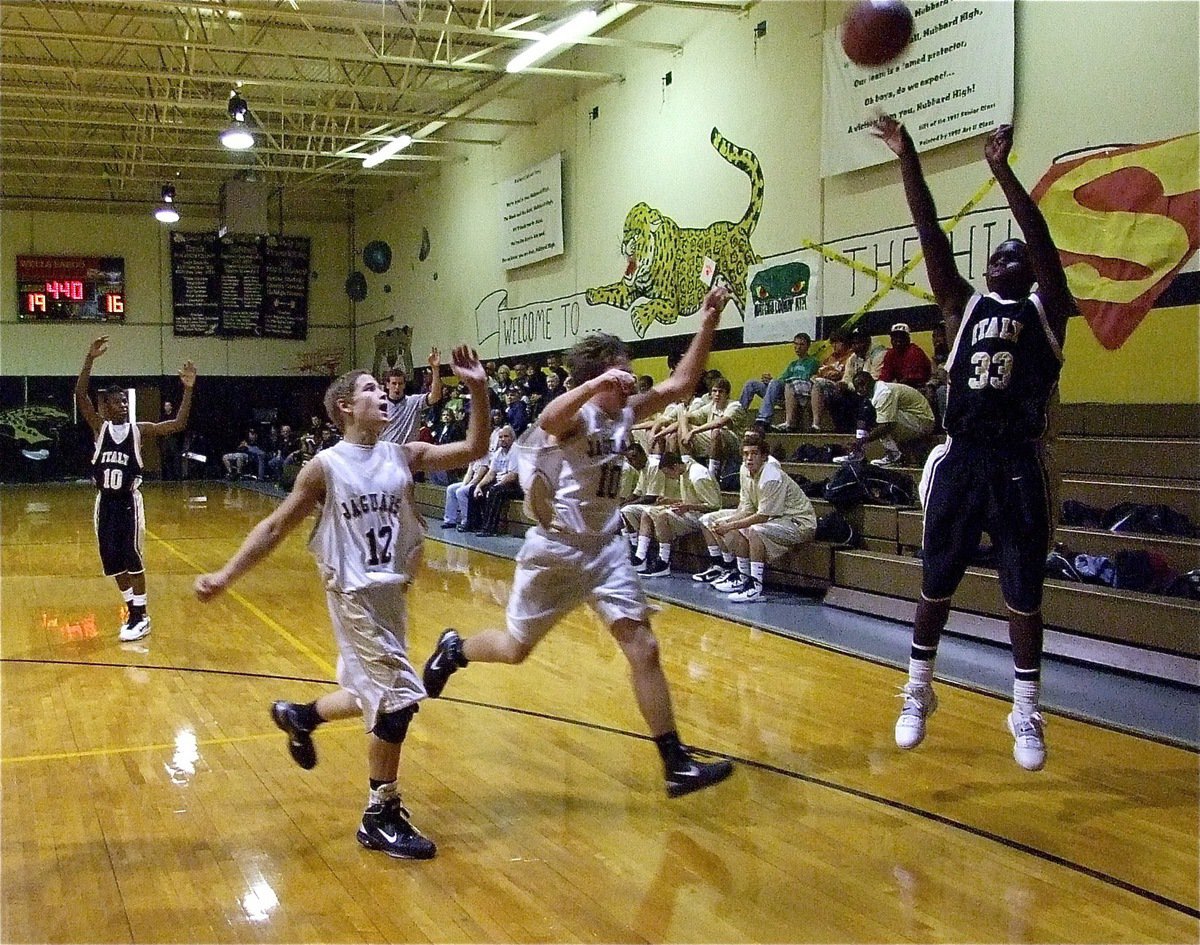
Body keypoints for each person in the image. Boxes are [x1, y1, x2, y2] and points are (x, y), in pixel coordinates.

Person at [421, 285, 735, 799]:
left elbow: (680, 385)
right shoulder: (578, 414)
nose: (630, 376)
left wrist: (708, 320)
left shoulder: (626, 411)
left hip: (606, 549)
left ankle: (674, 762)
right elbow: (548, 420)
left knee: (644, 647)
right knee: (515, 648)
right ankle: (455, 650)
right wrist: (595, 386)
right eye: (621, 368)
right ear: (599, 375)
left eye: (628, 368)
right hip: (556, 549)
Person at [194, 347, 492, 860]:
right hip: (353, 595)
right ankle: (380, 813)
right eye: (371, 389)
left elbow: (475, 447)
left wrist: (479, 390)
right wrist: (226, 575)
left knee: (365, 691)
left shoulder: (401, 455)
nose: (383, 395)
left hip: (391, 595)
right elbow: (274, 527)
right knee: (397, 700)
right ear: (345, 409)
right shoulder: (325, 467)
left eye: (383, 388)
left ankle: (302, 716)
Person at [873, 115, 1073, 771]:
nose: (1009, 255)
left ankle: (1025, 707)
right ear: (987, 270)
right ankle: (919, 689)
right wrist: (909, 156)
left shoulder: (1046, 310)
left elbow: (1039, 237)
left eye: (1015, 255)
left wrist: (1001, 171)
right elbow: (930, 232)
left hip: (1018, 462)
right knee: (937, 580)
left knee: (1023, 589)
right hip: (962, 458)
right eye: (999, 254)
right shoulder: (963, 309)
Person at [76, 336, 197, 641]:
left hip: (129, 503)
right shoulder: (100, 428)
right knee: (113, 563)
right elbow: (80, 394)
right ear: (106, 405)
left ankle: (142, 616)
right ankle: (133, 610)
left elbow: (178, 424)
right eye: (118, 402)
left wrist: (188, 388)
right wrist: (89, 359)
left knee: (132, 559)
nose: (123, 405)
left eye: (125, 402)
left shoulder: (138, 430)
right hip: (104, 503)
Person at [691, 433, 815, 603]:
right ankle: (740, 576)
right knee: (722, 523)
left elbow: (763, 516)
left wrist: (730, 525)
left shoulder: (771, 475)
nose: (749, 458)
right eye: (746, 453)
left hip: (798, 523)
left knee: (753, 530)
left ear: (764, 457)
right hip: (776, 519)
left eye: (754, 453)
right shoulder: (744, 470)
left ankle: (756, 587)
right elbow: (748, 508)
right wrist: (727, 523)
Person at [635, 451, 723, 578]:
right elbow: (691, 499)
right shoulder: (683, 472)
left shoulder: (698, 475)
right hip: (692, 512)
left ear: (675, 466)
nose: (669, 477)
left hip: (703, 516)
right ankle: (640, 557)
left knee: (662, 517)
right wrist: (671, 501)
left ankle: (664, 562)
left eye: (668, 473)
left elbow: (714, 506)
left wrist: (687, 507)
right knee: (648, 512)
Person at [837, 371, 936, 467]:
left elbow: (886, 426)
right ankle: (858, 453)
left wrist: (861, 441)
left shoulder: (884, 392)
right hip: (911, 419)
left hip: (924, 422)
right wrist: (859, 440)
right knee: (867, 410)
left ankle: (894, 454)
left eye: (862, 384)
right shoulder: (875, 392)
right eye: (857, 387)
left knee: (882, 419)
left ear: (871, 381)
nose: (860, 389)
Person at [738, 332, 819, 432]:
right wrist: (769, 381)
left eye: (801, 345)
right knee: (751, 384)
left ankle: (763, 419)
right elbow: (782, 379)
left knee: (775, 383)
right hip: (783, 393)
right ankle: (737, 417)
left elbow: (803, 379)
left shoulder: (812, 361)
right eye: (796, 344)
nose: (798, 347)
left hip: (796, 395)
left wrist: (775, 382)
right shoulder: (793, 364)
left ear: (808, 346)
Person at [679, 376, 748, 478]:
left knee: (716, 431)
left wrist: (693, 432)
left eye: (721, 391)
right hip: (714, 440)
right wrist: (685, 433)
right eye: (714, 391)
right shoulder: (711, 406)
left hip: (735, 445)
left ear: (727, 394)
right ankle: (687, 466)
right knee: (681, 428)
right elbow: (685, 417)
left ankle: (713, 473)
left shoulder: (735, 406)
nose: (717, 394)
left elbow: (719, 423)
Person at [381, 348, 444, 445]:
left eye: (400, 383)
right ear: (387, 385)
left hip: (409, 453)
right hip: (387, 454)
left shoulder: (413, 401)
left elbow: (435, 396)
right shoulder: (380, 405)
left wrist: (435, 369)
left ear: (404, 385)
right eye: (394, 383)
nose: (397, 387)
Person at [879, 322, 933, 389]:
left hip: (920, 387)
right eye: (895, 337)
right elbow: (885, 376)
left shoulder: (914, 352)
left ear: (908, 339)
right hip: (903, 387)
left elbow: (911, 380)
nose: (898, 341)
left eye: (901, 337)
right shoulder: (890, 354)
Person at [158, 400, 182, 480]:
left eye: (168, 406)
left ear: (171, 407)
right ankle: (168, 477)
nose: (166, 407)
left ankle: (177, 477)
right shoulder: (162, 417)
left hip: (173, 439)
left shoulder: (174, 417)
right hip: (165, 440)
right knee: (166, 459)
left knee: (175, 458)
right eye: (165, 406)